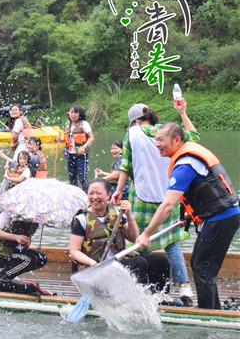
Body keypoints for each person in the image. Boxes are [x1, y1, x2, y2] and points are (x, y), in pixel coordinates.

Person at [136, 123, 240, 310]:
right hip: (219, 215)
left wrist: (146, 234)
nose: (157, 144)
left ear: (176, 140)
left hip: (222, 216)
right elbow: (200, 188)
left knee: (203, 268)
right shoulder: (186, 153)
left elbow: (167, 205)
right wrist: (188, 214)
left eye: (161, 140)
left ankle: (209, 315)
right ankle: (213, 310)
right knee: (199, 265)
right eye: (156, 140)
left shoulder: (185, 164)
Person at [112, 102, 196, 305]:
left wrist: (118, 189)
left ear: (135, 121)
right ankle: (184, 287)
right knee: (171, 242)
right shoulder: (170, 133)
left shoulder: (132, 133)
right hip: (169, 195)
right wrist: (183, 113)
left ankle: (150, 288)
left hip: (140, 195)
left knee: (140, 240)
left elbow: (125, 164)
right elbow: (195, 138)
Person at [70, 179, 169, 293]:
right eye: (91, 193)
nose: (94, 197)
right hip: (96, 271)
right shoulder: (81, 219)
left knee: (160, 260)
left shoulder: (117, 212)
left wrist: (129, 214)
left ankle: (160, 299)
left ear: (108, 195)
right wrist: (92, 263)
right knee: (138, 263)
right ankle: (136, 298)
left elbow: (134, 237)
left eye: (98, 193)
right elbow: (74, 251)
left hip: (118, 263)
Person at [0, 210, 48, 281]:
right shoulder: (8, 213)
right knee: (28, 260)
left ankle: (9, 274)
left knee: (41, 258)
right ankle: (1, 278)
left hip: (10, 250)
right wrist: (16, 237)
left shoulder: (33, 217)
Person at [57, 105, 93, 190]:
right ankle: (75, 195)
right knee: (72, 177)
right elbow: (66, 138)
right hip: (70, 154)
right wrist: (60, 139)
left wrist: (83, 147)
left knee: (82, 177)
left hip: (81, 154)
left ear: (80, 114)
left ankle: (87, 194)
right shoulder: (67, 124)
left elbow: (91, 137)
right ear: (68, 113)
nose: (73, 115)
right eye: (71, 112)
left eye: (75, 112)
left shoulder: (84, 124)